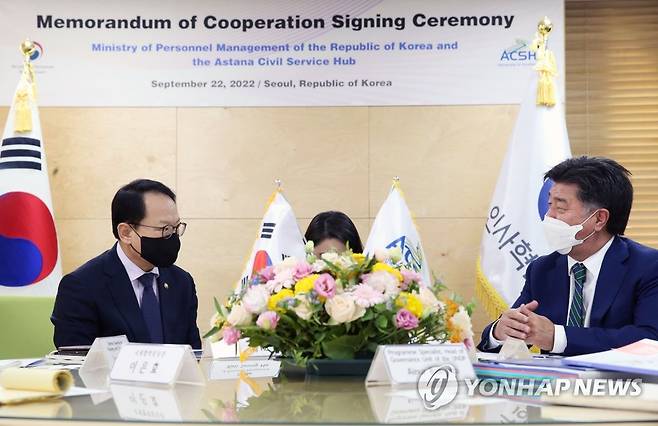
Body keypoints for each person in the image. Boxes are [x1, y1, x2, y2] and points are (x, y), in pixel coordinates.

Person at [478, 156, 658, 356]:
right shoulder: (542, 269)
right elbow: (515, 332)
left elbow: (650, 339)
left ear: (599, 219)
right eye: (549, 205)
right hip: (554, 377)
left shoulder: (649, 267)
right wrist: (500, 332)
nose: (548, 216)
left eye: (560, 208)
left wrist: (558, 337)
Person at [51, 179, 201, 349]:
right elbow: (76, 360)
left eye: (175, 228)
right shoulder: (81, 287)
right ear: (126, 233)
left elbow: (193, 353)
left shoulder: (181, 282)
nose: (172, 236)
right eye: (164, 229)